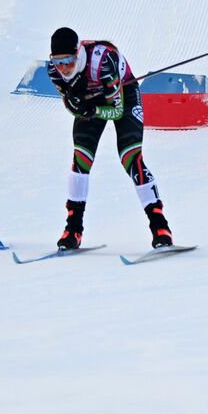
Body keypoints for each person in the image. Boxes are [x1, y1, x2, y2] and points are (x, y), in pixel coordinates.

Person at [46, 27, 172, 250]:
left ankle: (160, 227)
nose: (64, 68)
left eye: (69, 60)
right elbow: (69, 104)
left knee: (130, 158)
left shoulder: (102, 63)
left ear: (78, 53)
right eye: (58, 62)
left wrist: (90, 110)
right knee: (81, 159)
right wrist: (79, 108)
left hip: (124, 97)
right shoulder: (53, 72)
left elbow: (117, 110)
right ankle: (73, 229)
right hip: (93, 100)